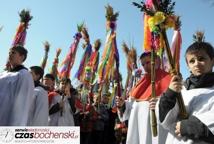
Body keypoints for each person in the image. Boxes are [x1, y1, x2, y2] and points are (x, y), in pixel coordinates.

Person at [157, 37, 214, 143]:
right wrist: (170, 94)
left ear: (212, 61)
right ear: (188, 66)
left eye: (201, 59)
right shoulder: (180, 90)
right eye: (192, 61)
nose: (196, 63)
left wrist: (191, 126)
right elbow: (165, 121)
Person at [116, 51, 171, 144]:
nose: (145, 66)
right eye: (143, 64)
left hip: (158, 131)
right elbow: (130, 108)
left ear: (157, 61)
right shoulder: (140, 84)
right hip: (138, 131)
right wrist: (123, 105)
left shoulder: (169, 80)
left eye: (148, 62)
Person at [0, 45, 34, 126]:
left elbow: (22, 105)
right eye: (9, 53)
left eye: (13, 53)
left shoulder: (24, 75)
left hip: (7, 121)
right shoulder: (3, 74)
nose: (9, 55)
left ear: (22, 57)